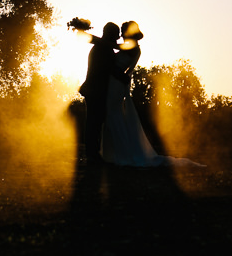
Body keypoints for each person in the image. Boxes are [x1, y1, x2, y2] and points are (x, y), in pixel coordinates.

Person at [101, 21, 205, 168]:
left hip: (116, 84)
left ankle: (120, 153)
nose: (121, 35)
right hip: (113, 83)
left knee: (113, 114)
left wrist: (87, 36)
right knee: (112, 114)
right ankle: (113, 152)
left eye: (123, 31)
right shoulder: (131, 47)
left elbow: (111, 47)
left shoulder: (132, 47)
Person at [77, 21, 120, 164]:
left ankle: (93, 152)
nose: (118, 37)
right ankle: (92, 154)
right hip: (96, 90)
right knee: (94, 122)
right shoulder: (103, 49)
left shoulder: (101, 47)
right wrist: (124, 77)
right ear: (110, 34)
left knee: (94, 121)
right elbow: (109, 68)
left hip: (94, 89)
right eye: (116, 34)